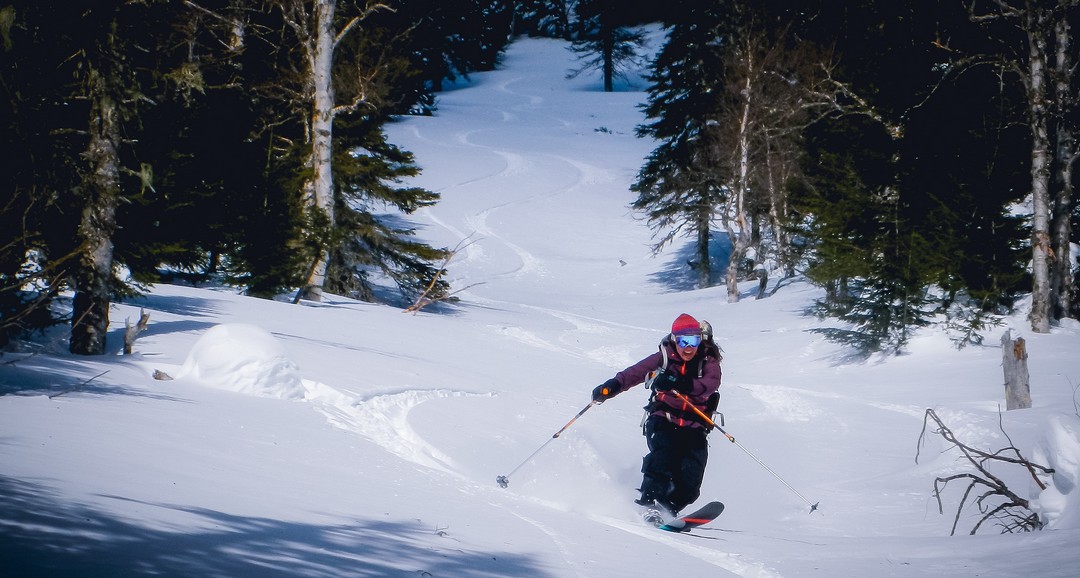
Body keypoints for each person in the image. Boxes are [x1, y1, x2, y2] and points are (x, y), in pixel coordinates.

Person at [591, 313, 722, 525]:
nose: (688, 347)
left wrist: (682, 384)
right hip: (664, 418)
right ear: (674, 339)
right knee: (663, 457)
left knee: (690, 484)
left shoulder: (708, 360)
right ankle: (650, 503)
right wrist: (612, 386)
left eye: (694, 341)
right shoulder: (665, 356)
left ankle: (668, 508)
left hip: (694, 425)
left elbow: (710, 385)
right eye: (683, 341)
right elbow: (636, 372)